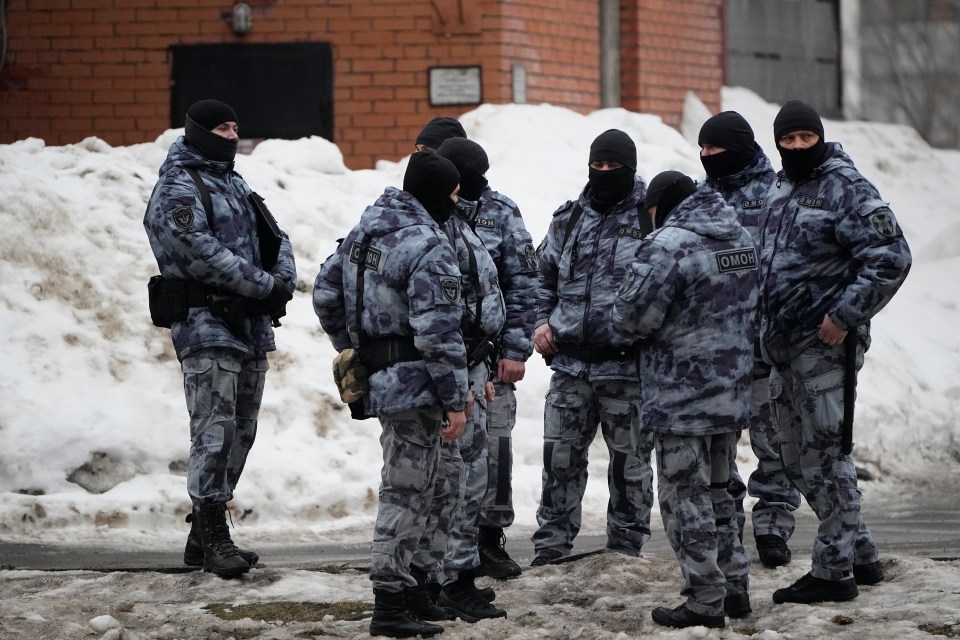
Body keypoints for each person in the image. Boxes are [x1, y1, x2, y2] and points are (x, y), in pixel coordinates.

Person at [758, 100, 912, 604]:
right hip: (784, 349)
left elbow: (891, 256)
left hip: (825, 348)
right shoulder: (782, 187)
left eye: (807, 137)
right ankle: (860, 554)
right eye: (789, 139)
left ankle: (832, 572)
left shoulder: (845, 187)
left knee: (827, 458)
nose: (798, 146)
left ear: (819, 138)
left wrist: (844, 316)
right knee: (798, 461)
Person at [314, 152, 470, 638]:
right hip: (420, 385)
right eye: (453, 193)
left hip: (386, 381)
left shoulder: (363, 234)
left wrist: (357, 348)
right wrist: (456, 399)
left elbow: (325, 293)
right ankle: (389, 601)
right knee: (405, 492)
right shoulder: (427, 244)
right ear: (437, 193)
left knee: (433, 485)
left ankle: (413, 591)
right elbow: (439, 332)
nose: (457, 201)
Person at [143, 99, 296, 578]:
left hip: (248, 326)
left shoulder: (234, 182)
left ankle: (198, 539)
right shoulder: (178, 186)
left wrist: (282, 279)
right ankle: (213, 536)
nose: (231, 134)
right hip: (204, 323)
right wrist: (262, 285)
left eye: (234, 126)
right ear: (198, 132)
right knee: (215, 430)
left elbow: (275, 236)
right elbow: (201, 253)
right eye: (221, 127)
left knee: (242, 432)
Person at [613, 170, 757, 629]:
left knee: (684, 497)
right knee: (720, 491)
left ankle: (704, 597)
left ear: (661, 205)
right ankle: (734, 588)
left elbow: (632, 318)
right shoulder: (739, 238)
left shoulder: (668, 244)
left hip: (680, 398)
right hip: (729, 392)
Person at [531, 129, 654, 565]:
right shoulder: (569, 219)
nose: (604, 174)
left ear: (630, 168)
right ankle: (550, 547)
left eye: (612, 167)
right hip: (570, 367)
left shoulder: (651, 217)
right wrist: (542, 322)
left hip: (627, 369)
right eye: (597, 166)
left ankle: (625, 548)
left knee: (630, 465)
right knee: (559, 458)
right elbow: (540, 279)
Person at [698, 110, 801, 568]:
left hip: (764, 344)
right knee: (720, 444)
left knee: (773, 441)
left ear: (738, 148)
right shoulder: (700, 200)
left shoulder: (778, 194)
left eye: (715, 149)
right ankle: (727, 522)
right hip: (716, 346)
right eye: (701, 150)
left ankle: (773, 524)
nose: (707, 157)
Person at [437, 137, 538, 580]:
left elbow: (524, 284)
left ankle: (488, 538)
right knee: (450, 455)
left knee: (495, 450)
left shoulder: (503, 212)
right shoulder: (431, 210)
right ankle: (444, 544)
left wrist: (515, 350)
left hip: (493, 360)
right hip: (444, 360)